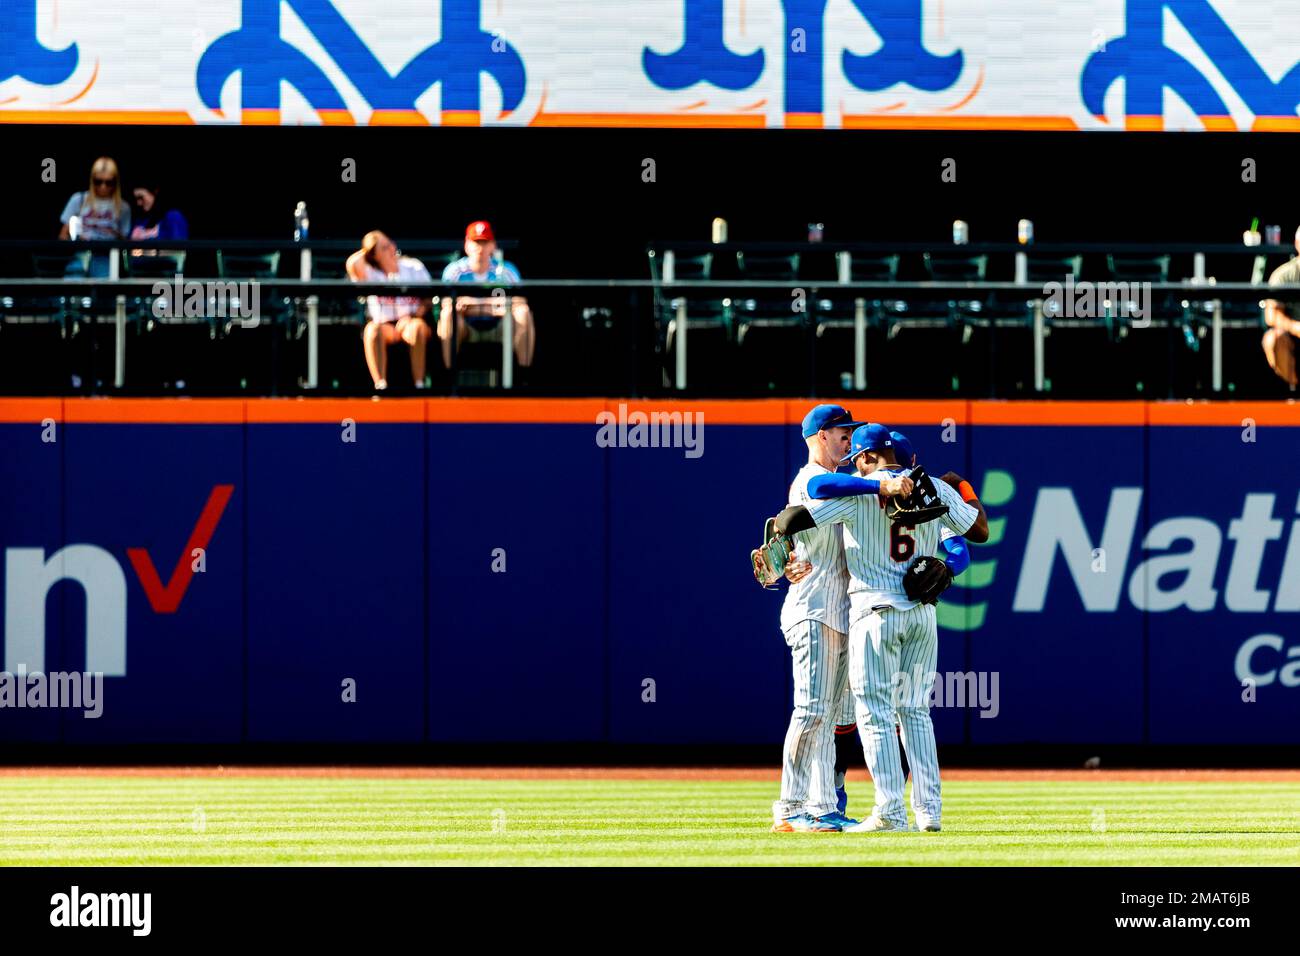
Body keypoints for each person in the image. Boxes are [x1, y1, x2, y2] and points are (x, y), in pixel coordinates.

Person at [771, 424, 988, 833]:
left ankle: (889, 811)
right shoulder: (934, 491)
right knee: (916, 713)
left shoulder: (859, 493)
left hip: (875, 611)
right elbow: (979, 531)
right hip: (922, 615)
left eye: (859, 457)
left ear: (868, 458)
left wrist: (780, 540)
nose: (855, 462)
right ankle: (930, 813)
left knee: (875, 714)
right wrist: (959, 486)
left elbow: (798, 514)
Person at [770, 404, 905, 833]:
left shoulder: (854, 484)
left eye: (849, 433)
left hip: (842, 611)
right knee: (809, 711)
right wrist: (879, 483)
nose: (848, 439)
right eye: (841, 432)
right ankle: (789, 807)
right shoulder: (810, 477)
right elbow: (826, 486)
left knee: (828, 716)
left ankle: (823, 805)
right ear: (819, 436)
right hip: (812, 608)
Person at [439, 221, 536, 369]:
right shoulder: (455, 271)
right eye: (476, 242)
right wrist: (495, 306)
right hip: (466, 327)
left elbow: (520, 302)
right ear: (466, 244)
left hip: (499, 326)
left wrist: (470, 304)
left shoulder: (505, 270)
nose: (480, 247)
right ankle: (449, 380)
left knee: (523, 313)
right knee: (447, 315)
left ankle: (524, 376)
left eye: (484, 242)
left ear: (493, 245)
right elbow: (446, 303)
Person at [346, 231, 433, 391]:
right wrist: (367, 250)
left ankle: (419, 385)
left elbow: (428, 300)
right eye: (385, 248)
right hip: (384, 325)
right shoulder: (370, 273)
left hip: (410, 320)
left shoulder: (413, 266)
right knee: (372, 330)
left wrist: (413, 316)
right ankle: (381, 386)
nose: (392, 248)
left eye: (391, 243)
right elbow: (352, 263)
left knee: (417, 327)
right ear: (375, 255)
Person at [58, 157, 131, 277]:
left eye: (109, 182)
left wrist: (113, 234)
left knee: (102, 286)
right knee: (72, 287)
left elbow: (127, 242)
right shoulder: (79, 200)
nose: (103, 186)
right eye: (98, 181)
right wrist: (75, 239)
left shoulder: (123, 207)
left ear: (115, 182)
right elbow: (62, 235)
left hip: (107, 256)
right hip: (80, 254)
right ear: (92, 180)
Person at [1263, 226, 1300, 387]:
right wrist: (1295, 327)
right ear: (1297, 243)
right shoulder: (1284, 275)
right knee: (1273, 339)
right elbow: (1271, 316)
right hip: (1293, 339)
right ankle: (1293, 390)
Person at [129, 183, 189, 250]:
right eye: (136, 199)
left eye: (141, 197)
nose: (138, 203)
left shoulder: (173, 216)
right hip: (137, 260)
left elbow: (177, 248)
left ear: (154, 192)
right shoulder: (140, 219)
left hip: (163, 259)